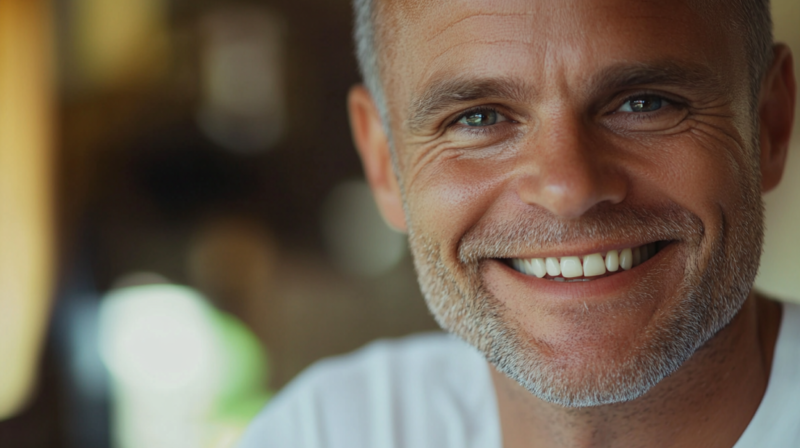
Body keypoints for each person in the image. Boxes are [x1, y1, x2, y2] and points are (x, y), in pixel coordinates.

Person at [238, 0, 798, 446]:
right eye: (478, 118)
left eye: (645, 103)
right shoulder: (326, 430)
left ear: (769, 123)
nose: (568, 190)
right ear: (384, 163)